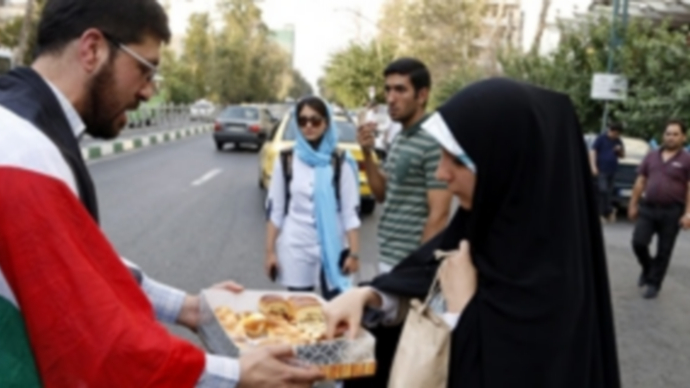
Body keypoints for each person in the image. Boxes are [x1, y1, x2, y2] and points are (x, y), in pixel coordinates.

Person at [0, 1, 323, 387]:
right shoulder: (19, 157)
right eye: (146, 69)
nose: (149, 91)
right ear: (92, 50)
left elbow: (79, 265)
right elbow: (101, 349)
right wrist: (237, 375)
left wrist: (189, 308)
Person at [326, 78, 621, 388]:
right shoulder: (473, 232)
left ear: (507, 168)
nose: (441, 173)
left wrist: (460, 314)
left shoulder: (554, 291)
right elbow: (418, 280)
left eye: (458, 161)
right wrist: (369, 296)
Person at [357, 58, 452, 275]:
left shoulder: (434, 141)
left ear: (422, 95)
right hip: (388, 257)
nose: (391, 98)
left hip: (409, 265)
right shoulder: (401, 137)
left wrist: (418, 270)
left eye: (400, 90)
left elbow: (439, 215)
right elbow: (382, 195)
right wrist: (367, 153)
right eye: (388, 89)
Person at [265, 96, 361, 300]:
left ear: (326, 123)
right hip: (296, 246)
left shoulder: (340, 161)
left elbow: (350, 213)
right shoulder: (286, 159)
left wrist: (354, 253)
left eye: (315, 120)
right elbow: (276, 211)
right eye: (302, 121)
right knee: (300, 308)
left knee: (337, 307)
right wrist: (270, 252)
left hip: (334, 246)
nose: (308, 126)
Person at [628, 119, 690, 299]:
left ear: (683, 137)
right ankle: (648, 268)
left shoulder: (687, 160)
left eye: (675, 134)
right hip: (648, 208)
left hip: (672, 211)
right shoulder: (651, 156)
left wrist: (688, 214)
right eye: (668, 134)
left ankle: (654, 284)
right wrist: (633, 204)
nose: (671, 137)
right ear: (663, 135)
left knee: (664, 250)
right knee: (638, 243)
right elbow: (640, 181)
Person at [590, 122, 625, 222]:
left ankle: (606, 212)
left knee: (608, 193)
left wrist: (619, 150)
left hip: (612, 170)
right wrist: (593, 166)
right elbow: (593, 152)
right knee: (602, 190)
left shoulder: (618, 141)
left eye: (617, 134)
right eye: (614, 133)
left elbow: (623, 155)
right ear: (611, 131)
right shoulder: (601, 139)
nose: (615, 135)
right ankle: (600, 212)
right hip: (601, 169)